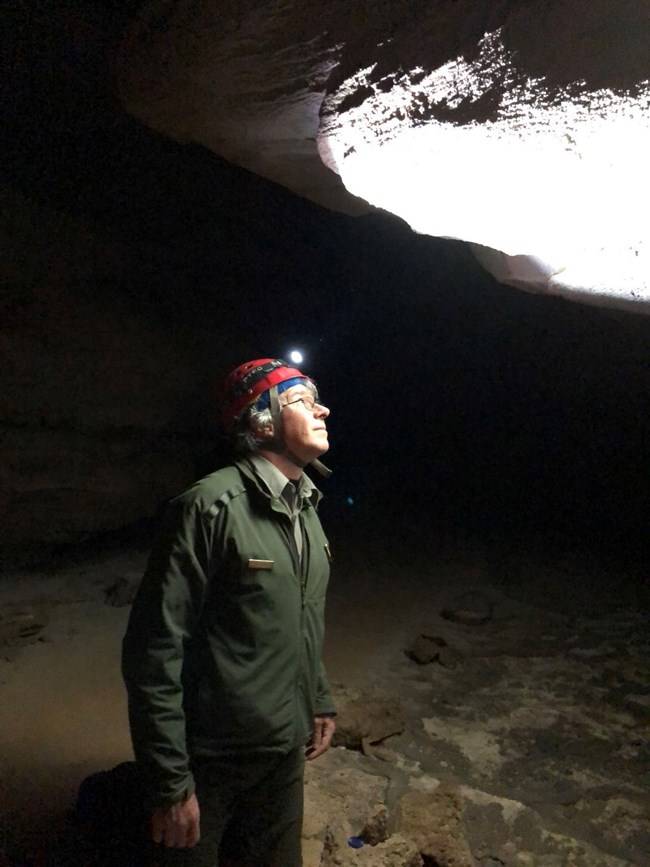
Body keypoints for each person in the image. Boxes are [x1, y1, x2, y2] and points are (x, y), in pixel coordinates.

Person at [121, 358, 336, 866]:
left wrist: (318, 696)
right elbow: (154, 649)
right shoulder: (210, 507)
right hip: (213, 758)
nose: (323, 408)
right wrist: (171, 784)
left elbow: (296, 616)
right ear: (262, 421)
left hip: (283, 753)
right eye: (302, 401)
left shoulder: (304, 505)